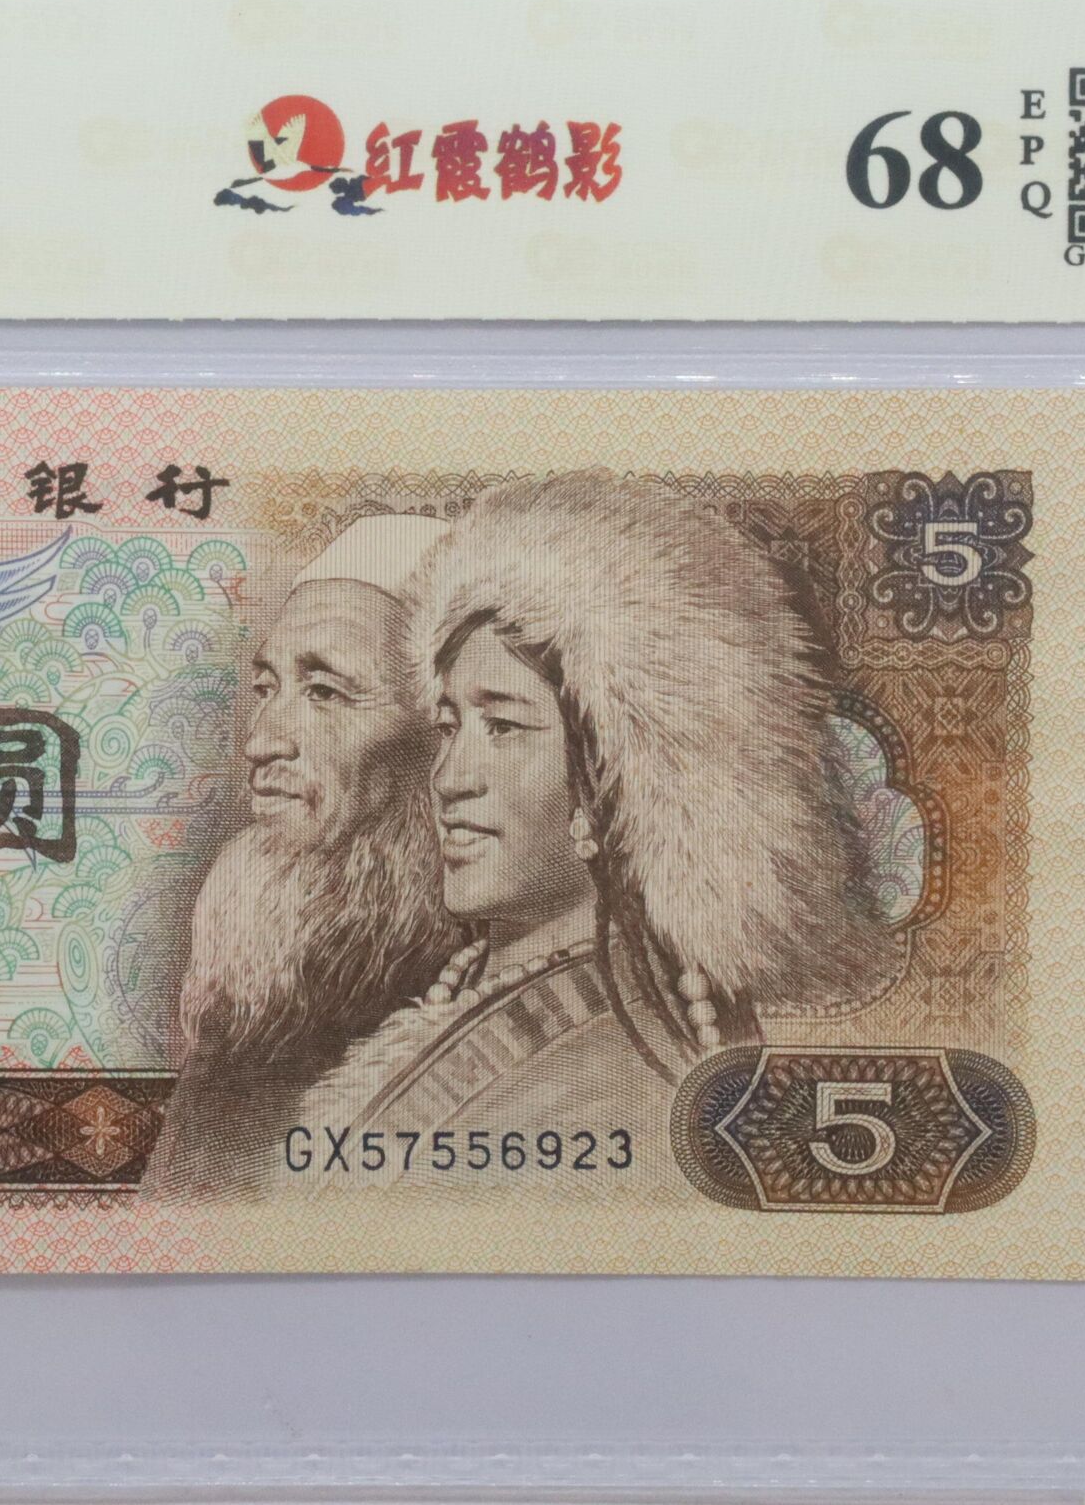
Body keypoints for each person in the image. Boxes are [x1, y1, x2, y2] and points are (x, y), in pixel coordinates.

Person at [296, 473, 890, 1169]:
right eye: (450, 726)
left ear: (611, 780)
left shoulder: (613, 1080)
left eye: (504, 726)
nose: (450, 778)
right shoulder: (480, 992)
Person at [145, 513, 460, 1197]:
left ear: (443, 737)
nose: (261, 741)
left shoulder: (485, 1007)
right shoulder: (253, 1006)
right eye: (268, 687)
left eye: (324, 691)